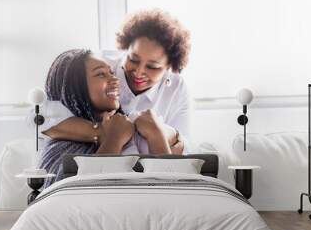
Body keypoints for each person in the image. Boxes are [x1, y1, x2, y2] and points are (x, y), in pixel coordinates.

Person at [34, 9, 192, 154]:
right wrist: (103, 132)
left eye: (152, 67)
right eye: (133, 59)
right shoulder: (100, 62)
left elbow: (184, 150)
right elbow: (38, 119)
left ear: (169, 67)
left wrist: (162, 133)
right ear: (126, 48)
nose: (138, 72)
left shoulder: (176, 89)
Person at [38, 49, 171, 188]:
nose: (114, 79)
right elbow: (76, 199)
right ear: (75, 85)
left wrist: (156, 134)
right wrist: (114, 140)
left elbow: (171, 190)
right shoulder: (60, 146)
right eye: (101, 74)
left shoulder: (136, 126)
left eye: (111, 73)